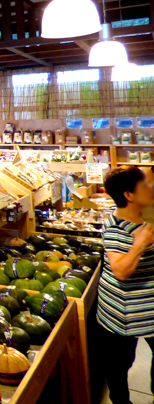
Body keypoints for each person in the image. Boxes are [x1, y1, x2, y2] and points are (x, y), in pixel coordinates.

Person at [97, 167, 154, 404]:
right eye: (145, 186)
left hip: (150, 310)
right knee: (119, 366)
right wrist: (139, 244)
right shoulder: (114, 228)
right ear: (129, 195)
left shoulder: (148, 214)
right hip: (122, 314)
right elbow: (120, 271)